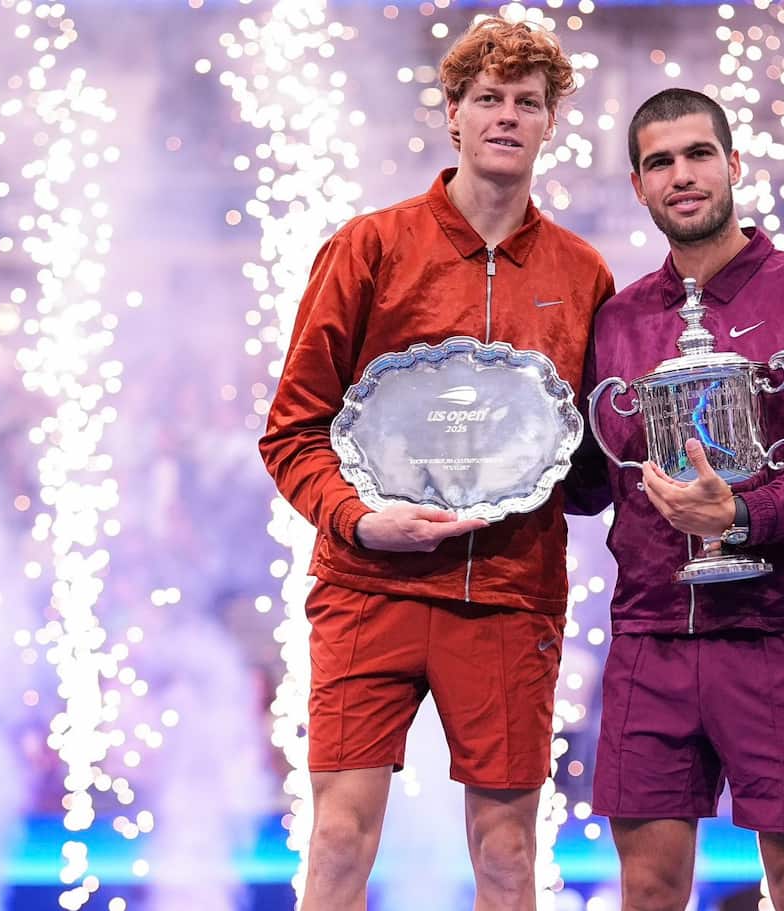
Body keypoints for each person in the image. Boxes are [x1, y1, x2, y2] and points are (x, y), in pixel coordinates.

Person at [259, 18, 614, 911]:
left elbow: (585, 464)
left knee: (508, 853)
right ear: (453, 114)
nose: (507, 116)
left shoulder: (582, 272)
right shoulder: (369, 246)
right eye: (488, 98)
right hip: (368, 582)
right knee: (338, 841)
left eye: (527, 101)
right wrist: (360, 519)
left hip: (510, 591)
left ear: (551, 122)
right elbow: (292, 430)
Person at [568, 88, 784, 911]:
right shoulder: (617, 319)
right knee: (646, 891)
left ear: (734, 164)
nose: (681, 175)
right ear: (638, 186)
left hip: (782, 629)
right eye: (660, 162)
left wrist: (743, 516)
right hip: (651, 633)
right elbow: (589, 478)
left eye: (698, 154)